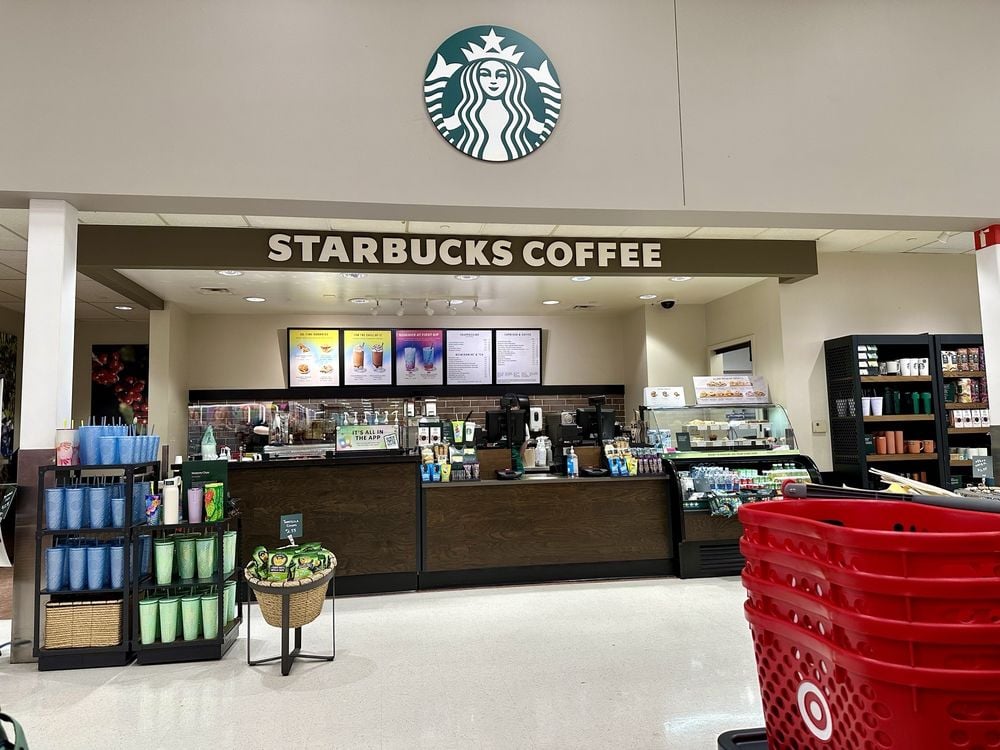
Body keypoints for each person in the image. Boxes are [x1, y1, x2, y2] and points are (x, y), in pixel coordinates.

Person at [442, 58, 546, 162]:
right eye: (485, 74)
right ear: (474, 78)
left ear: (511, 79)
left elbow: (539, 129)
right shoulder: (466, 111)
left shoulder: (520, 112)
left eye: (501, 75)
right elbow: (447, 125)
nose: (493, 80)